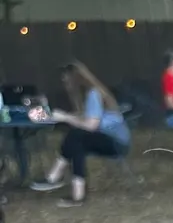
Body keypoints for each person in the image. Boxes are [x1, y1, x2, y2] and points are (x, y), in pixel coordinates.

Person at [30, 61, 130, 207]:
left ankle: (55, 177)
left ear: (76, 79)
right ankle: (77, 195)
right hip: (107, 139)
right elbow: (81, 118)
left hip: (117, 143)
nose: (64, 83)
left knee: (76, 136)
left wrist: (65, 117)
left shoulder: (93, 94)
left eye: (66, 79)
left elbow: (90, 125)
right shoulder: (86, 96)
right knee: (77, 142)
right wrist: (53, 116)